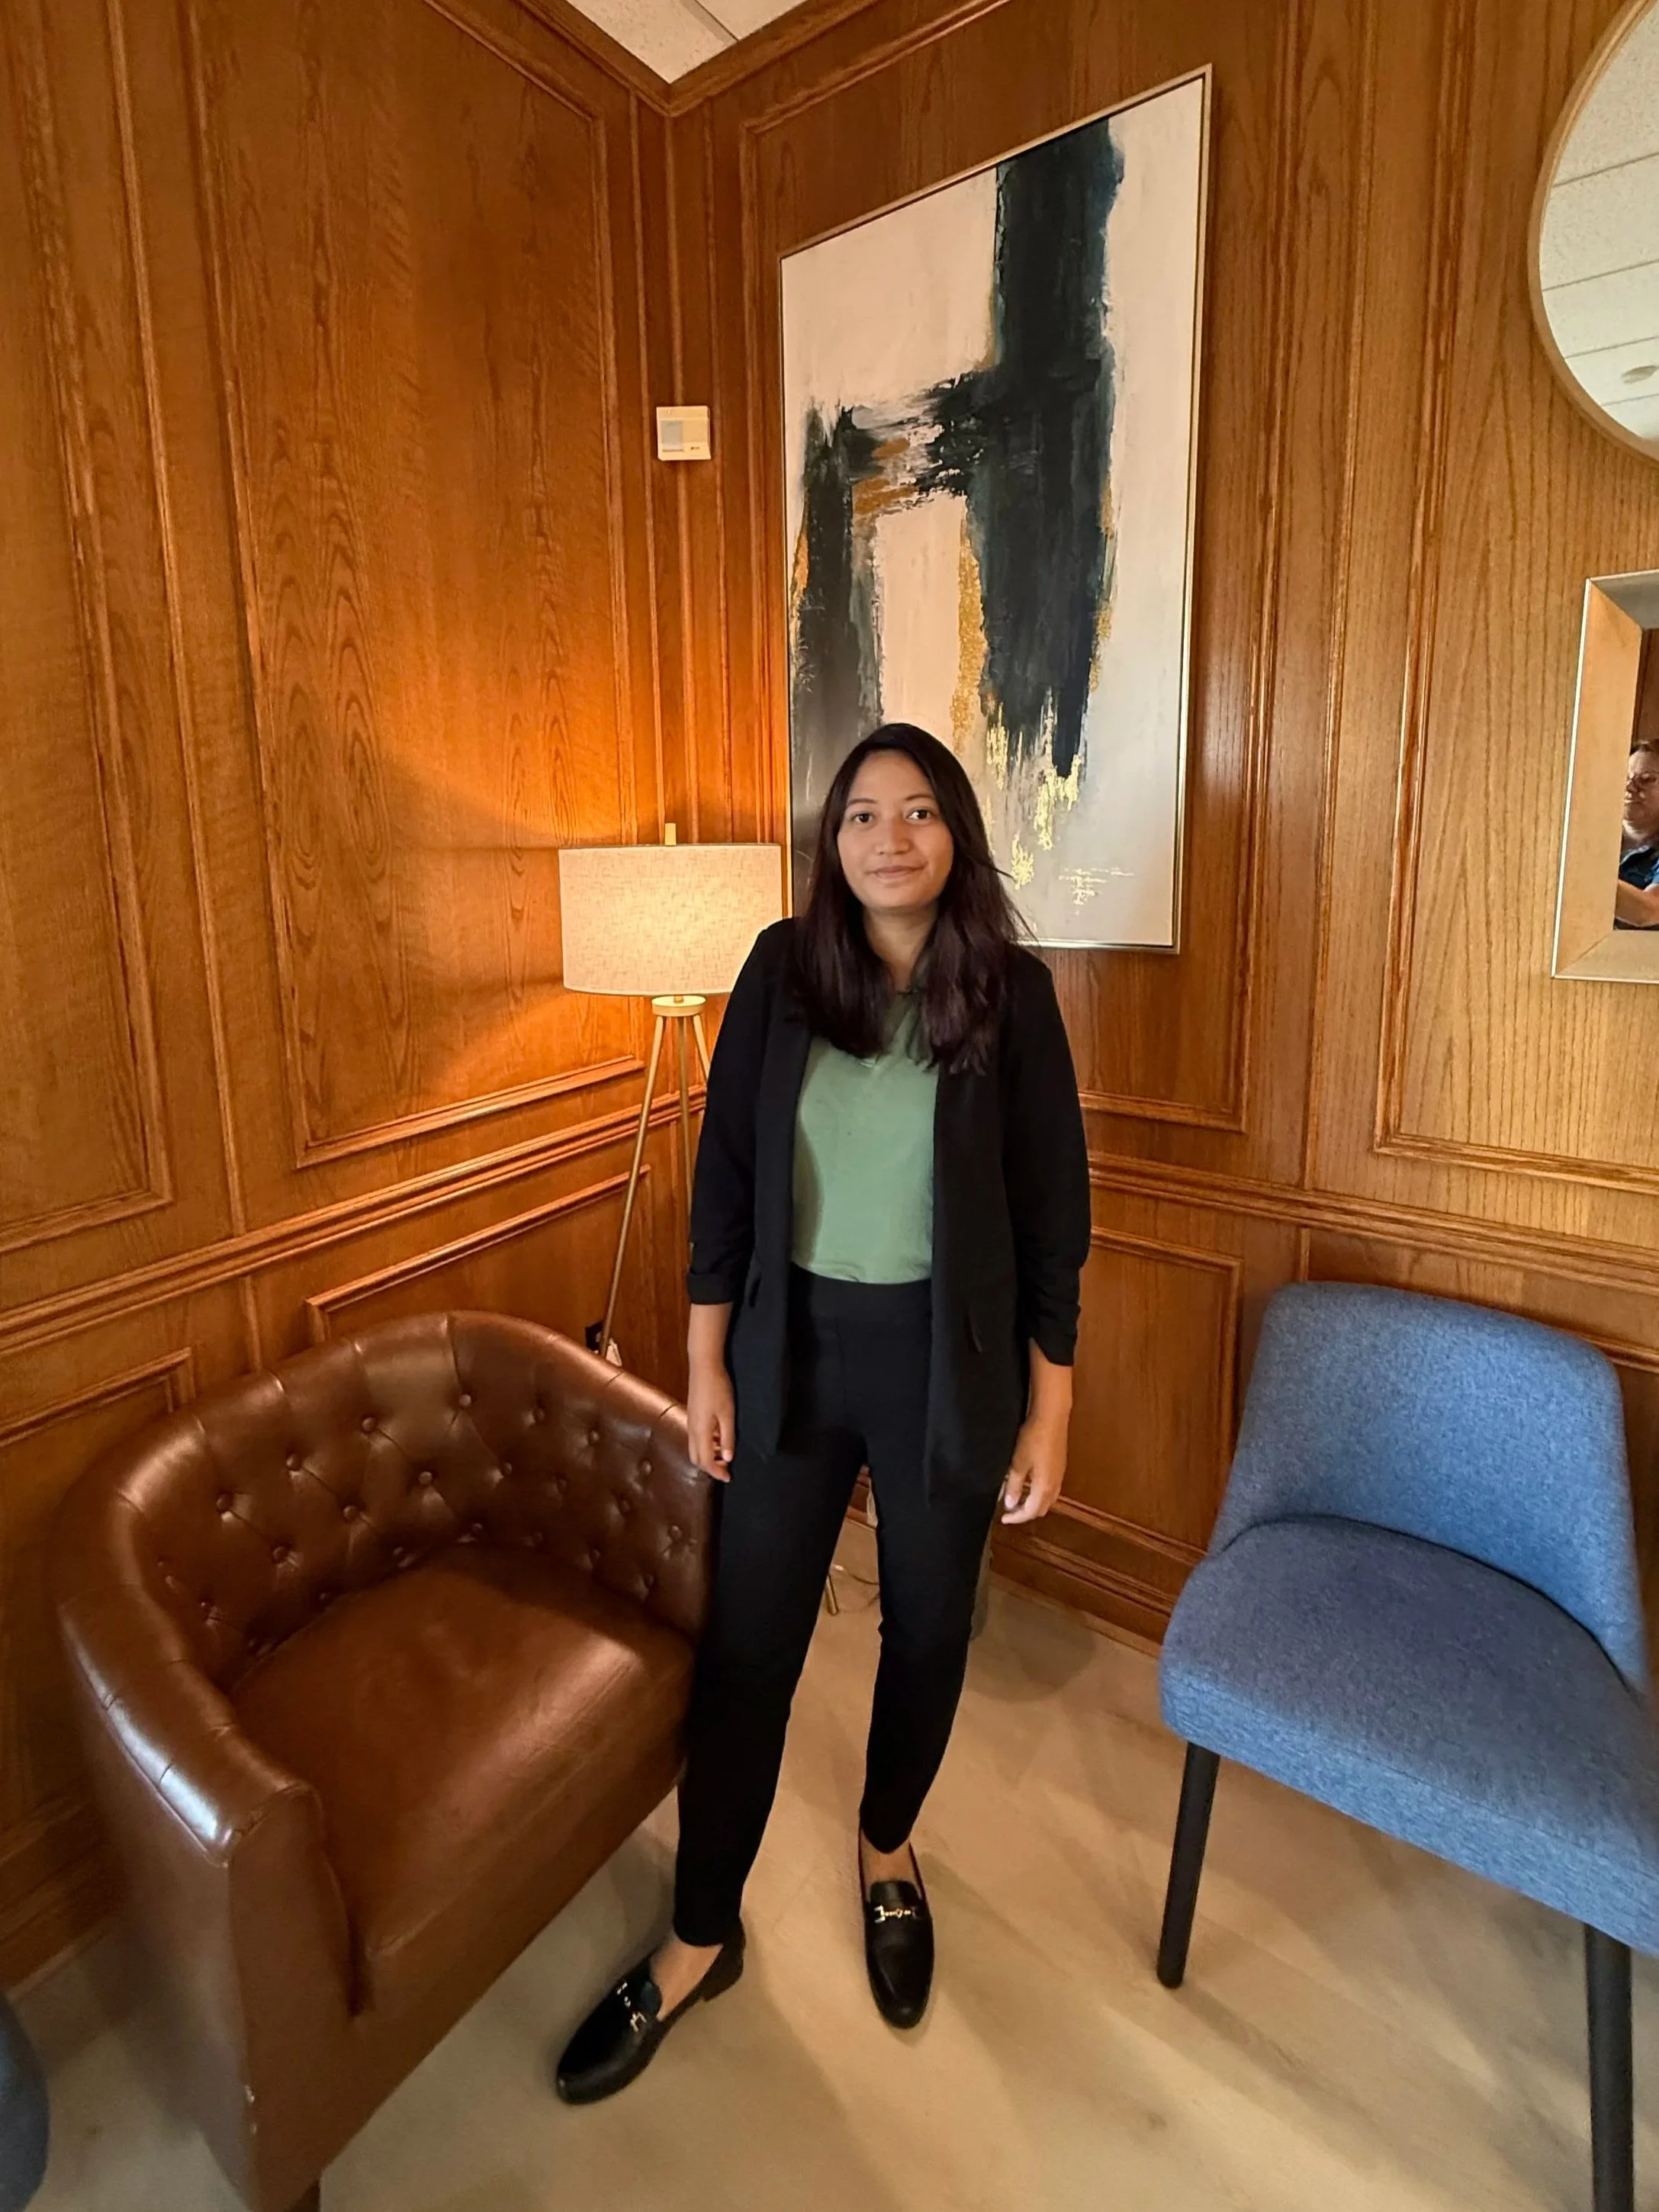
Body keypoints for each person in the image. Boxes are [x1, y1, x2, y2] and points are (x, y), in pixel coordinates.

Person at [555, 723, 1092, 2102]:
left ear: (955, 832)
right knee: (749, 1648)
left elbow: (1054, 1219)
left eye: (917, 811)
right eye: (861, 814)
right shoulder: (780, 973)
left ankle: (885, 1844)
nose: (888, 838)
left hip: (946, 1363)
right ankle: (698, 1933)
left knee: (929, 1628)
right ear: (831, 842)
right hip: (790, 1352)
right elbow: (726, 1174)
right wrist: (706, 1362)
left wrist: (1050, 1411)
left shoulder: (1014, 996)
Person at [1614, 735, 1659, 930]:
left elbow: (1650, 911)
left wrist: (1576, 876)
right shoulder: (1587, 834)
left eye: (1646, 780)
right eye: (1625, 777)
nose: (1630, 787)